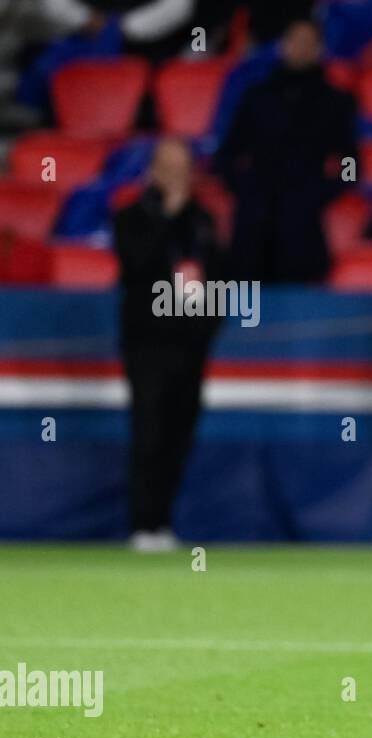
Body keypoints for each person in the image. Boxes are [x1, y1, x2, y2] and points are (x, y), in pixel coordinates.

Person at [113, 137, 221, 551]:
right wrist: (168, 215)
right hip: (147, 344)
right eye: (169, 167)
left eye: (184, 167)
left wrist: (210, 325)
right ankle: (143, 523)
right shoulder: (132, 218)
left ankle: (164, 522)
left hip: (190, 344)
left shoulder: (203, 221)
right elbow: (136, 265)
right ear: (153, 170)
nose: (177, 176)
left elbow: (219, 276)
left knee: (181, 431)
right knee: (149, 430)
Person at [215, 18, 357, 283]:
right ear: (283, 46)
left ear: (319, 49)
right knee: (245, 309)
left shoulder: (335, 102)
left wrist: (324, 191)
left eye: (308, 42)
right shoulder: (256, 97)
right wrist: (243, 187)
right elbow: (227, 155)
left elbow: (350, 162)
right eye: (295, 41)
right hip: (253, 222)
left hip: (302, 225)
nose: (301, 48)